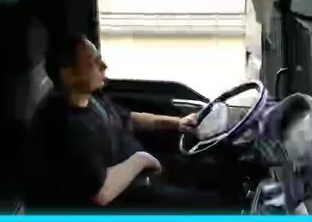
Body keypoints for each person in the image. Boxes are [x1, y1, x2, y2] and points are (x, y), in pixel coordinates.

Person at [25, 34, 230, 211]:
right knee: (212, 205)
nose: (104, 66)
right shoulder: (65, 126)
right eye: (93, 61)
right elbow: (101, 194)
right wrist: (141, 160)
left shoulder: (91, 98)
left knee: (217, 175)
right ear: (69, 74)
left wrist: (177, 123)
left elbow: (128, 117)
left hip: (139, 176)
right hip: (122, 198)